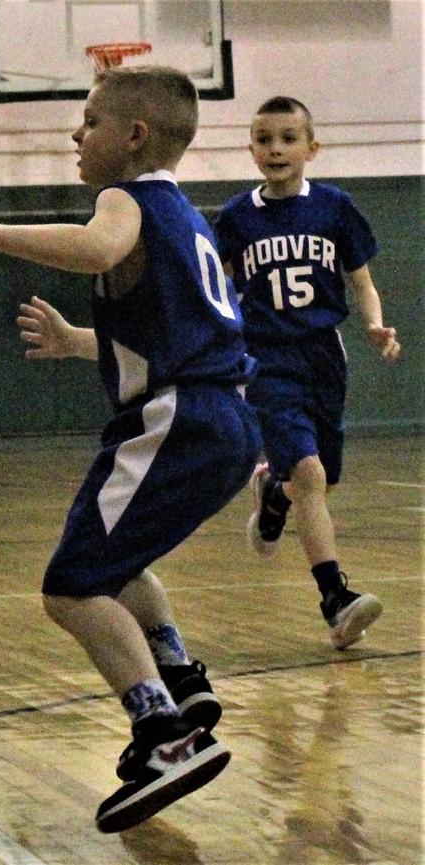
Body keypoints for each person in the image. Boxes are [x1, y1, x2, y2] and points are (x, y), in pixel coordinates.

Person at [0, 66, 261, 832]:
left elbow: (98, 249)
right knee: (118, 565)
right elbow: (171, 334)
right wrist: (76, 342)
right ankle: (180, 675)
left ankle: (162, 733)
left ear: (133, 137)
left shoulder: (124, 198)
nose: (75, 132)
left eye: (90, 120)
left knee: (70, 586)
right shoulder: (187, 216)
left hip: (175, 419)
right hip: (224, 416)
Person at [214, 96, 398, 650]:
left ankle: (273, 493)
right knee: (312, 475)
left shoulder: (335, 208)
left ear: (311, 148)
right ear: (251, 149)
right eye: (264, 139)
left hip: (323, 356)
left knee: (318, 480)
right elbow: (218, 290)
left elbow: (361, 281)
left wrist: (375, 324)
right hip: (266, 359)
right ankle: (335, 600)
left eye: (288, 138)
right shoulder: (236, 219)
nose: (276, 148)